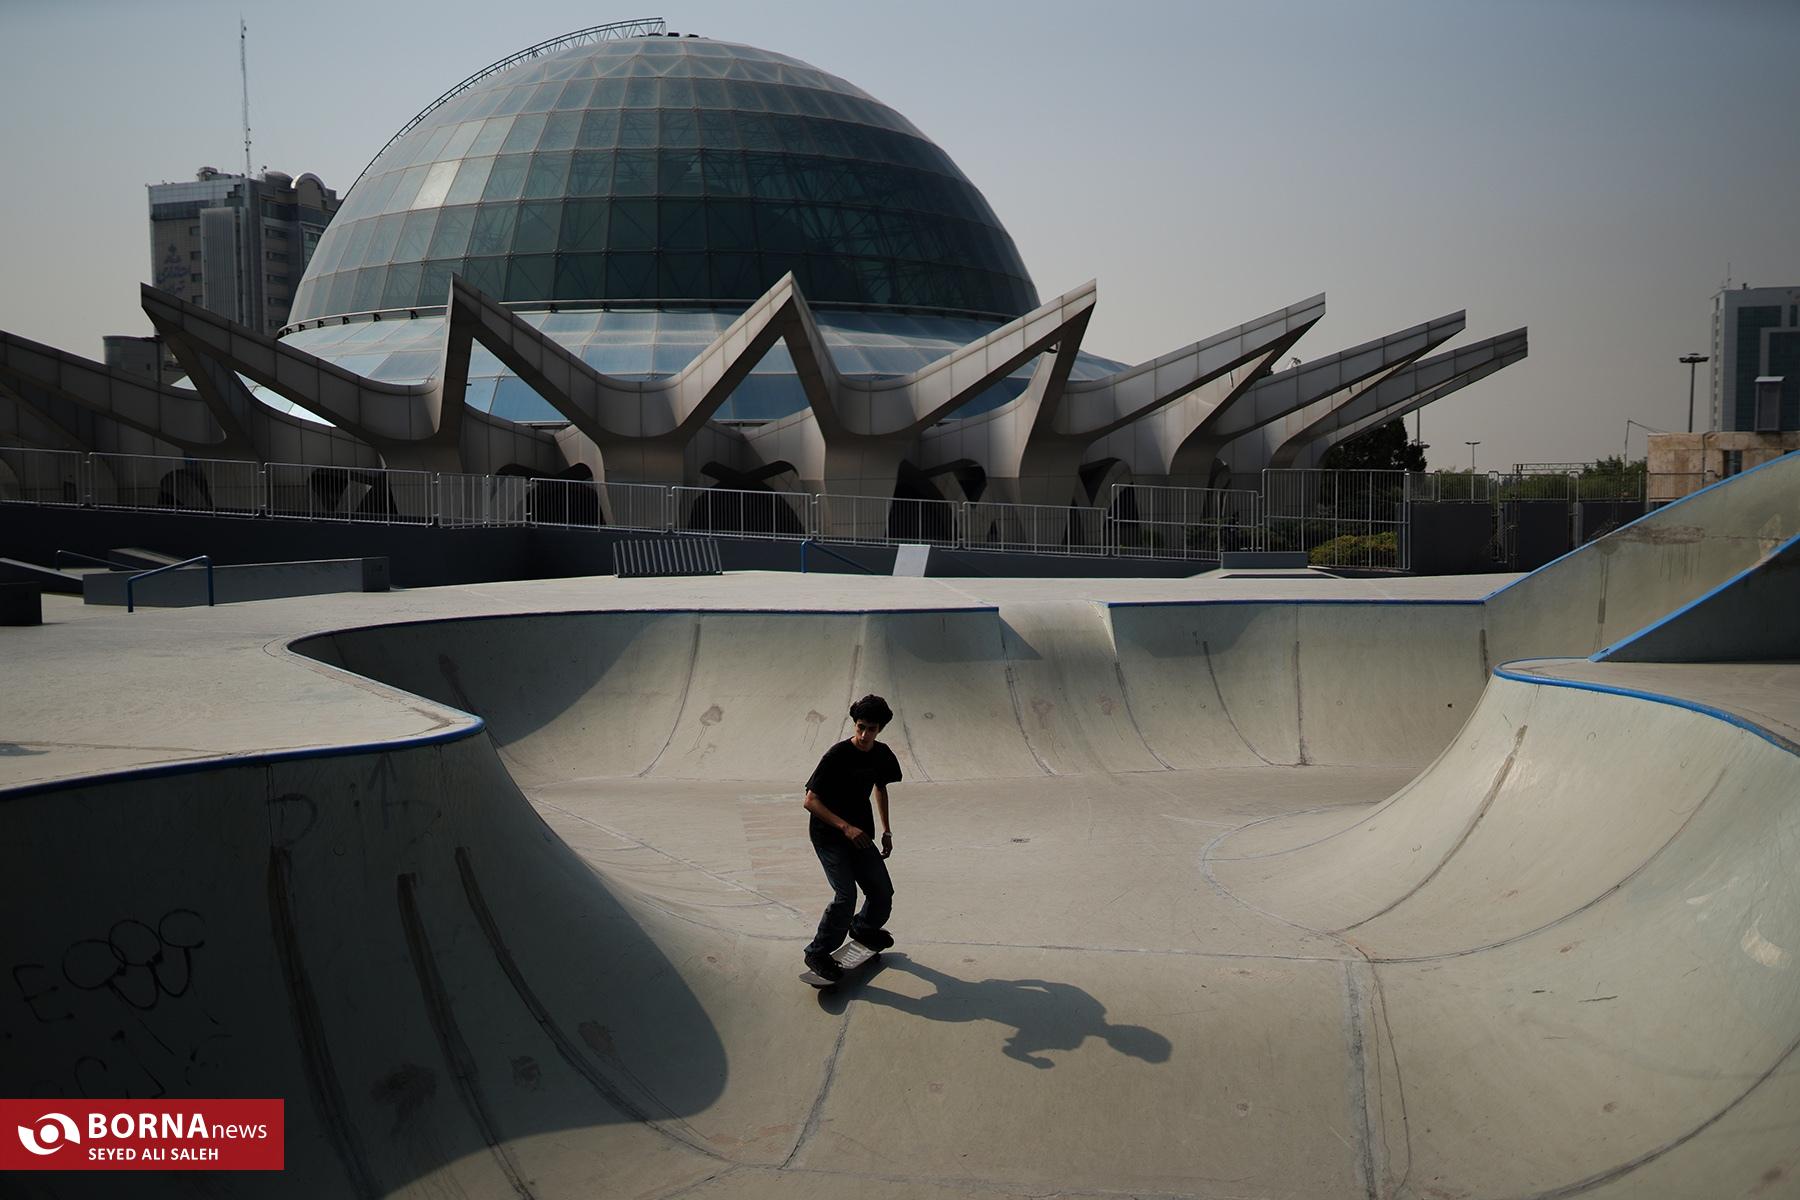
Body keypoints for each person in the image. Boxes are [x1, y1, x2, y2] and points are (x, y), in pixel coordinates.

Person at [801, 694, 901, 981]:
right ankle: (817, 953)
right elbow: (810, 801)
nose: (865, 735)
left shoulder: (881, 754)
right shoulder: (837, 755)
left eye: (871, 729)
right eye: (860, 727)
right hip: (828, 835)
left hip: (860, 833)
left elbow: (881, 787)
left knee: (882, 891)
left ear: (880, 729)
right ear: (854, 724)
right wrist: (845, 827)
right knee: (846, 896)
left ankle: (863, 928)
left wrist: (886, 830)